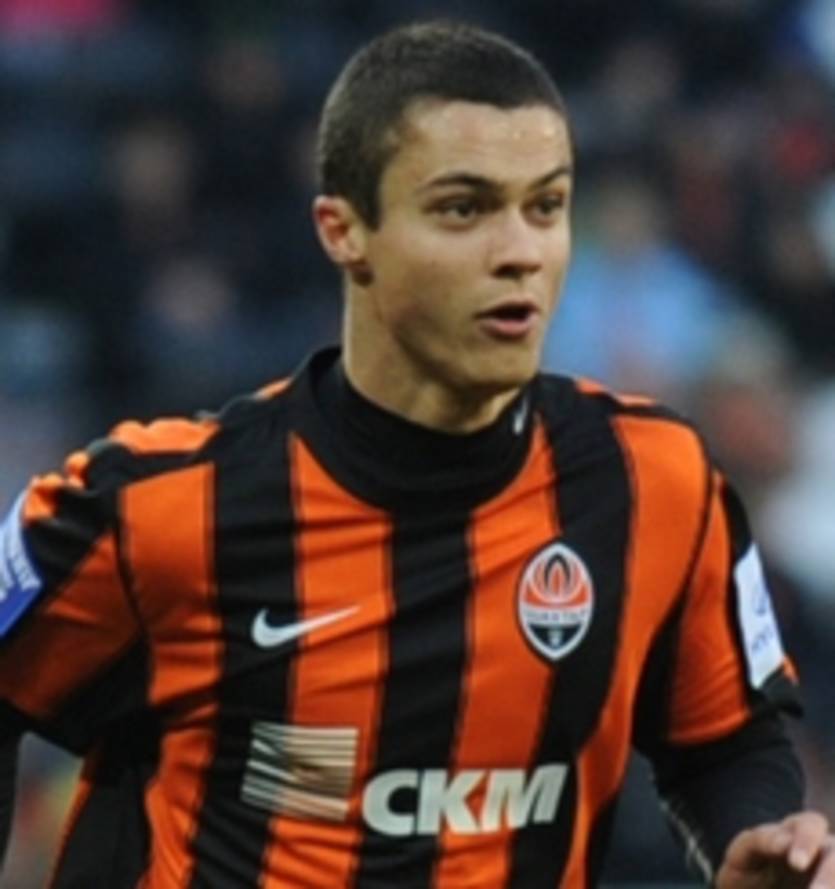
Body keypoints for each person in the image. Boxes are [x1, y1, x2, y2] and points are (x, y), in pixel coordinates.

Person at [0, 20, 832, 889]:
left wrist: (756, 839)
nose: (519, 252)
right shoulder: (160, 508)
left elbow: (727, 736)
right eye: (463, 208)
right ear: (343, 231)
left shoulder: (652, 479)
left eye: (545, 206)